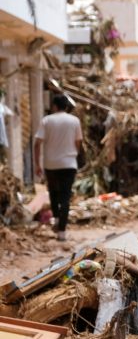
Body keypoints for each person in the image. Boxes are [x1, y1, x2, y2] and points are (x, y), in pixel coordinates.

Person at [33, 94, 83, 242]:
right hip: (69, 164)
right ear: (67, 106)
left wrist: (37, 164)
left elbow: (37, 143)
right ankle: (62, 233)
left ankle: (56, 219)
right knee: (65, 197)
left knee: (54, 193)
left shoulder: (46, 120)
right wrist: (74, 153)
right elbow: (78, 142)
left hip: (51, 164)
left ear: (54, 106)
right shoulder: (74, 121)